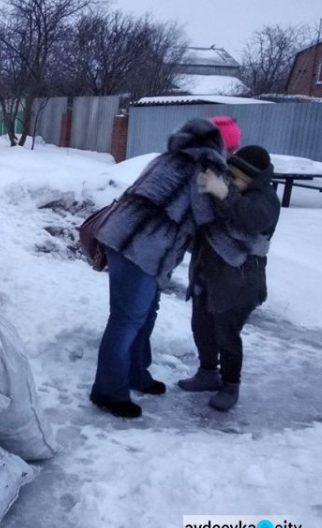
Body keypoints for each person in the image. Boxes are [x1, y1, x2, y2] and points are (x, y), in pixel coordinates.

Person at [90, 118, 228, 418]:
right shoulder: (205, 167)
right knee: (126, 319)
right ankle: (109, 392)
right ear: (218, 145)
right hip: (141, 247)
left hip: (124, 239)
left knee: (145, 313)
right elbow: (206, 216)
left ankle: (136, 373)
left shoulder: (165, 158)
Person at [178, 146, 280, 411]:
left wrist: (223, 192)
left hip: (239, 280)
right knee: (202, 327)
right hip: (207, 272)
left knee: (227, 335)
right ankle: (207, 373)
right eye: (228, 176)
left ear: (253, 178)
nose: (230, 182)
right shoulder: (236, 192)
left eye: (236, 178)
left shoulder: (266, 199)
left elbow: (250, 220)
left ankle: (230, 384)